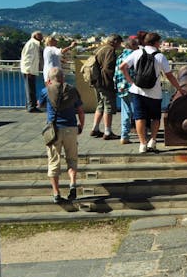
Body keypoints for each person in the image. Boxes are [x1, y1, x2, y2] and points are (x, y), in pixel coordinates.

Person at [119, 32, 186, 154]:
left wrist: (130, 82)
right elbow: (169, 75)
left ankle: (142, 143)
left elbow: (122, 67)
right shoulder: (160, 57)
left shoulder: (137, 53)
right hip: (155, 92)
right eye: (159, 42)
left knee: (139, 117)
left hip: (137, 90)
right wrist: (179, 89)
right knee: (155, 117)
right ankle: (153, 141)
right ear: (156, 43)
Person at [38, 67, 84, 203]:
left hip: (54, 130)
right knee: (72, 159)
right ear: (62, 78)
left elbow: (39, 105)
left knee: (53, 161)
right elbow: (80, 111)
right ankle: (72, 184)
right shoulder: (73, 90)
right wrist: (80, 125)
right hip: (71, 128)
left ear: (49, 80)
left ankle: (56, 193)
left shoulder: (45, 91)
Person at [90, 35, 123, 140]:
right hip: (105, 83)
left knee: (100, 105)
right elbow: (108, 67)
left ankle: (95, 129)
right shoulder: (110, 50)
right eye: (119, 42)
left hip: (96, 82)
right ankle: (108, 132)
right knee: (108, 107)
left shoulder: (100, 48)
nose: (120, 45)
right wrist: (113, 82)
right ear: (114, 41)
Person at [115, 36, 140, 144]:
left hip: (121, 87)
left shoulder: (120, 56)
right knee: (137, 111)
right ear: (133, 45)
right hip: (132, 86)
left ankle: (124, 135)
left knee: (125, 111)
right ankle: (142, 136)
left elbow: (117, 72)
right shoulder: (133, 55)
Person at [19, 31, 44, 112]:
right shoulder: (32, 44)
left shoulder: (33, 43)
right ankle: (31, 107)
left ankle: (31, 105)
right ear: (35, 36)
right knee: (30, 88)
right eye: (40, 35)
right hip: (29, 70)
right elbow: (28, 58)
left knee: (31, 88)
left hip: (30, 70)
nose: (42, 37)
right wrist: (28, 70)